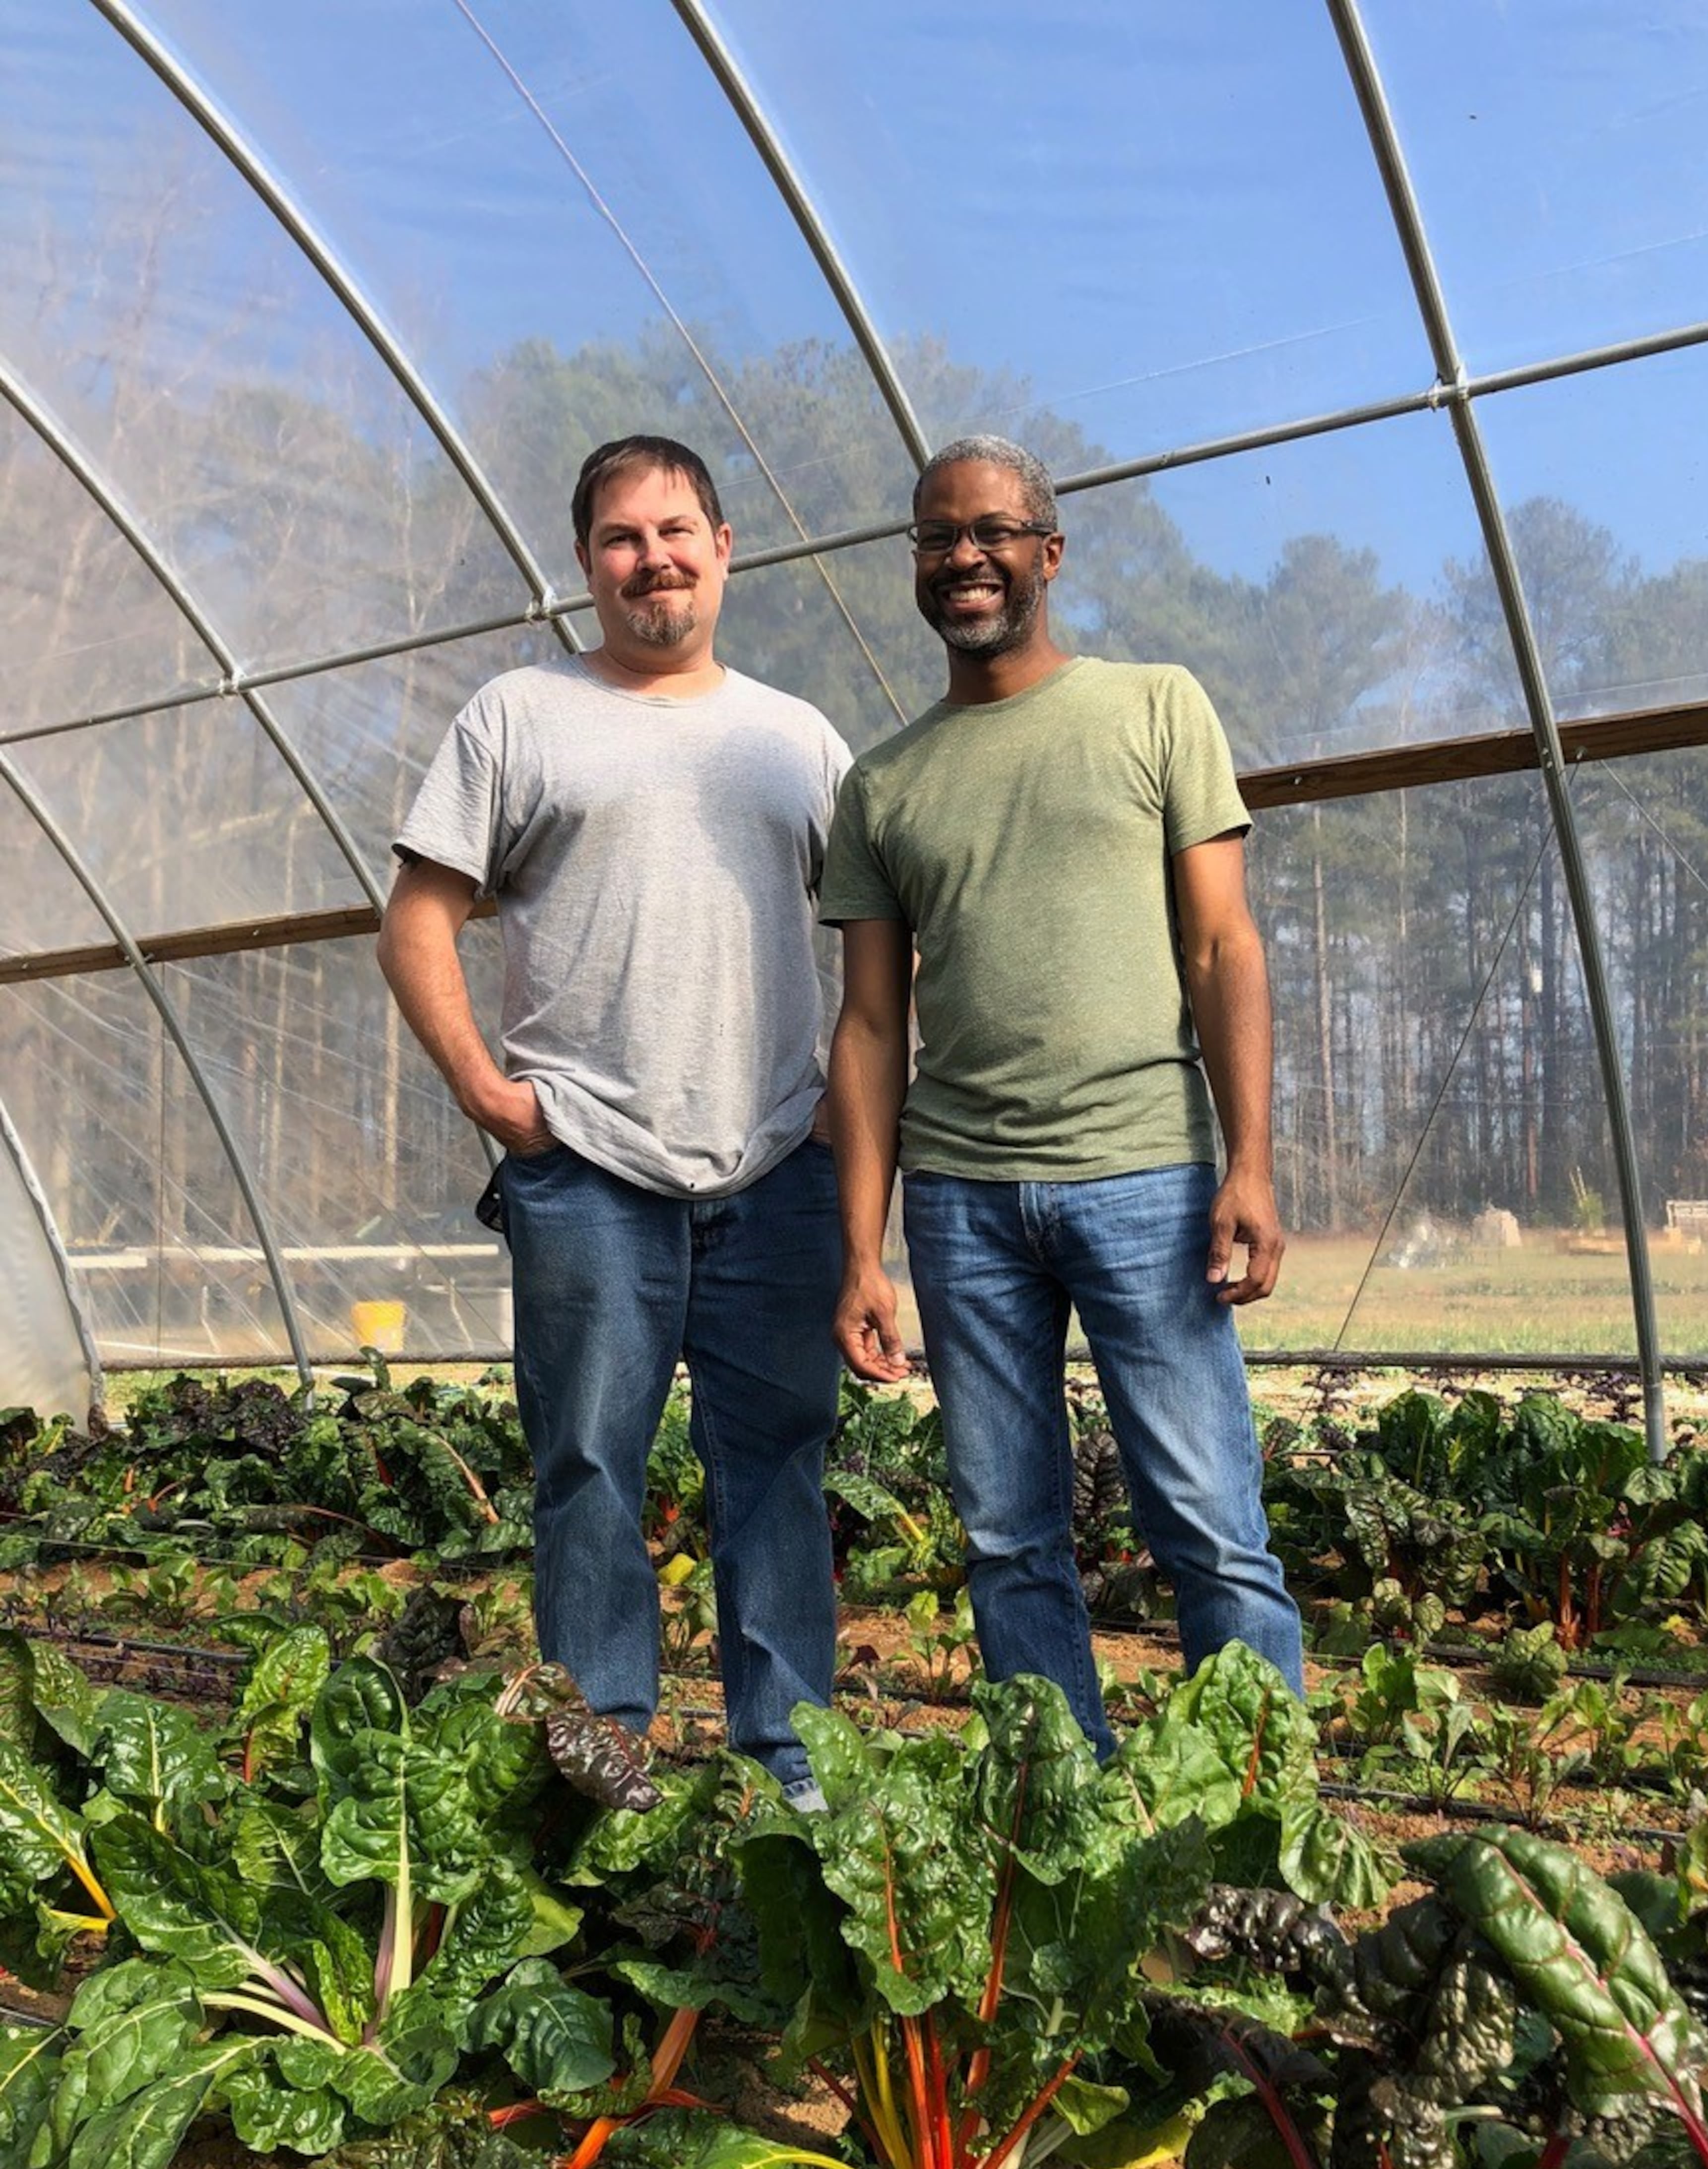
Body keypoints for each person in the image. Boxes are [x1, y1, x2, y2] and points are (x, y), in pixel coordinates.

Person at [379, 433, 848, 1809]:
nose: (654, 557)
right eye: (623, 538)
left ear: (725, 547)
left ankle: (791, 1770)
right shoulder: (519, 717)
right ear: (586, 565)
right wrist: (490, 1094)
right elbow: (416, 926)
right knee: (588, 1466)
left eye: (678, 529)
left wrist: (852, 1107)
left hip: (776, 1167)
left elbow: (885, 941)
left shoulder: (795, 737)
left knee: (776, 1467)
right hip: (583, 1167)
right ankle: (609, 1759)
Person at [821, 434, 1303, 1757]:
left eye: (988, 532)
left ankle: (1260, 1822)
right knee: (1007, 1537)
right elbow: (869, 1026)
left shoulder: (1155, 709)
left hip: (1144, 1175)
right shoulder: (886, 783)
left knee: (1208, 1521)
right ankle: (1063, 1813)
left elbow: (1222, 949)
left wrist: (1249, 1165)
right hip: (964, 1203)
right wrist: (861, 1249)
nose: (962, 558)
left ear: (1048, 551)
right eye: (936, 537)